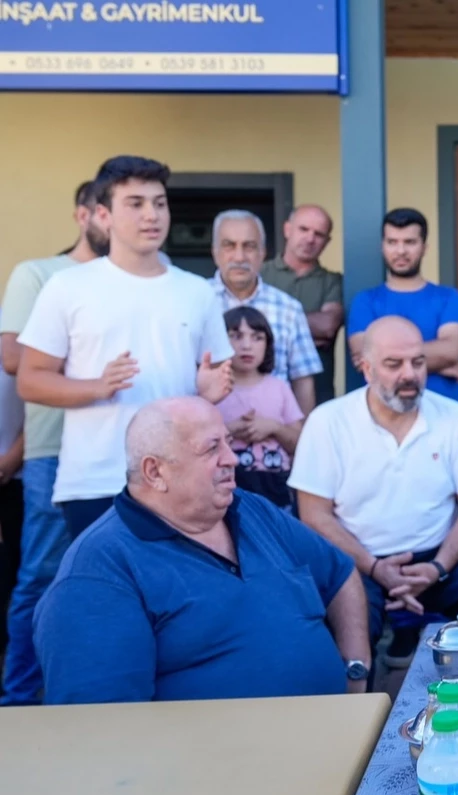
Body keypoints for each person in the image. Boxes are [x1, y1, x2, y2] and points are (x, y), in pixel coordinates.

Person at [34, 397, 371, 704]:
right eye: (212, 449)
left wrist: (356, 669)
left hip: (332, 730)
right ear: (155, 472)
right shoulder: (99, 570)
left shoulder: (252, 510)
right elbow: (101, 724)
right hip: (223, 752)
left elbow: (339, 574)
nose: (231, 458)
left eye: (228, 441)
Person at [16, 156, 233, 538]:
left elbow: (212, 381)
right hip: (95, 481)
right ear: (103, 215)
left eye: (159, 203)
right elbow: (30, 380)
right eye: (135, 203)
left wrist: (206, 395)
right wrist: (97, 387)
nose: (152, 215)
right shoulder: (68, 287)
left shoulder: (197, 291)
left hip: (180, 479)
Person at [291, 317, 458, 669]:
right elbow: (313, 514)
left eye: (418, 362)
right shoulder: (328, 422)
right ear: (365, 368)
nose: (409, 374)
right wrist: (374, 567)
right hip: (357, 559)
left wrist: (436, 568)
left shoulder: (455, 419)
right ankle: (359, 702)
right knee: (345, 629)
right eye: (393, 364)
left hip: (439, 557)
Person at [0, 179, 107, 704]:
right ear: (83, 215)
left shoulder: (138, 282)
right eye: (107, 211)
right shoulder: (39, 274)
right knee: (41, 576)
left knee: (115, 581)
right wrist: (93, 364)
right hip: (53, 449)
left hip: (121, 452)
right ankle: (18, 701)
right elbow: (13, 358)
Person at [348, 208, 458, 401]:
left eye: (410, 242)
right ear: (382, 246)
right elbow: (365, 356)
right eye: (392, 242)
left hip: (443, 411)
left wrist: (389, 358)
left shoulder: (449, 297)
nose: (401, 251)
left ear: (424, 247)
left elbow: (451, 350)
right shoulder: (365, 301)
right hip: (385, 411)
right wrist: (442, 364)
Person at [209, 209, 321, 414]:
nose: (239, 256)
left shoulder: (288, 308)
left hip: (275, 430)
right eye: (229, 245)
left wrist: (302, 432)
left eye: (249, 246)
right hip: (208, 429)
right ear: (215, 252)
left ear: (263, 253)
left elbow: (303, 380)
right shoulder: (194, 301)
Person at [217, 307, 305, 512]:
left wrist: (274, 427)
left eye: (257, 337)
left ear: (268, 344)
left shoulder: (279, 388)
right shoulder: (212, 389)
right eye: (236, 336)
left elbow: (300, 444)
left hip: (274, 487)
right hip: (226, 486)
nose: (246, 345)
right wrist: (230, 430)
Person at [261, 205, 343, 404]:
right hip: (263, 392)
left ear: (327, 241)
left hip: (318, 394)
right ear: (287, 229)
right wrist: (306, 332)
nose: (310, 238)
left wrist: (269, 326)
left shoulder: (333, 281)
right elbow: (244, 323)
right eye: (303, 229)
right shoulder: (260, 274)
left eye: (319, 234)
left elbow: (327, 326)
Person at [0, 328, 23, 657]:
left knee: (16, 561)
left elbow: (41, 413)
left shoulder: (14, 330)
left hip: (18, 471)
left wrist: (13, 457)